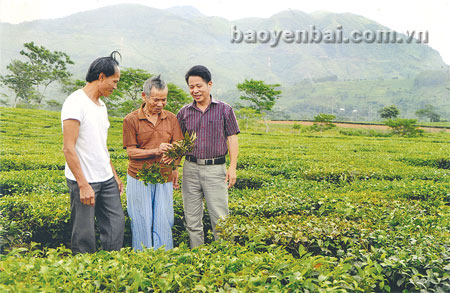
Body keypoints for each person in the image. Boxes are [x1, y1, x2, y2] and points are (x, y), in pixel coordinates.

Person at [61, 51, 125, 254]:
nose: (115, 87)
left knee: (116, 225)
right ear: (101, 77)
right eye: (114, 81)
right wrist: (82, 184)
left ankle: (111, 271)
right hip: (84, 180)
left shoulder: (101, 105)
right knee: (84, 234)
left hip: (105, 178)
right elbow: (68, 148)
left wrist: (114, 175)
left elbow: (101, 145)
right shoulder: (75, 102)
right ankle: (85, 278)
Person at [177, 65, 240, 248]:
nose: (195, 90)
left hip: (215, 168)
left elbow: (232, 138)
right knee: (192, 217)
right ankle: (197, 255)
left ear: (209, 84)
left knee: (220, 216)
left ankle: (224, 255)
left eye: (199, 86)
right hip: (190, 168)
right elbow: (180, 143)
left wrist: (233, 166)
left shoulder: (225, 110)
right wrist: (175, 168)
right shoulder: (184, 113)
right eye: (191, 87)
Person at [123, 75, 183, 251]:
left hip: (164, 176)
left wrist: (174, 160)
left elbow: (179, 144)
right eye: (156, 99)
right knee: (141, 219)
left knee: (164, 219)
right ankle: (142, 258)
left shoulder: (171, 118)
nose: (160, 104)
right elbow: (131, 151)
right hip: (139, 176)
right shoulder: (131, 119)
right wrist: (155, 151)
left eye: (164, 100)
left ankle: (163, 258)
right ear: (145, 96)